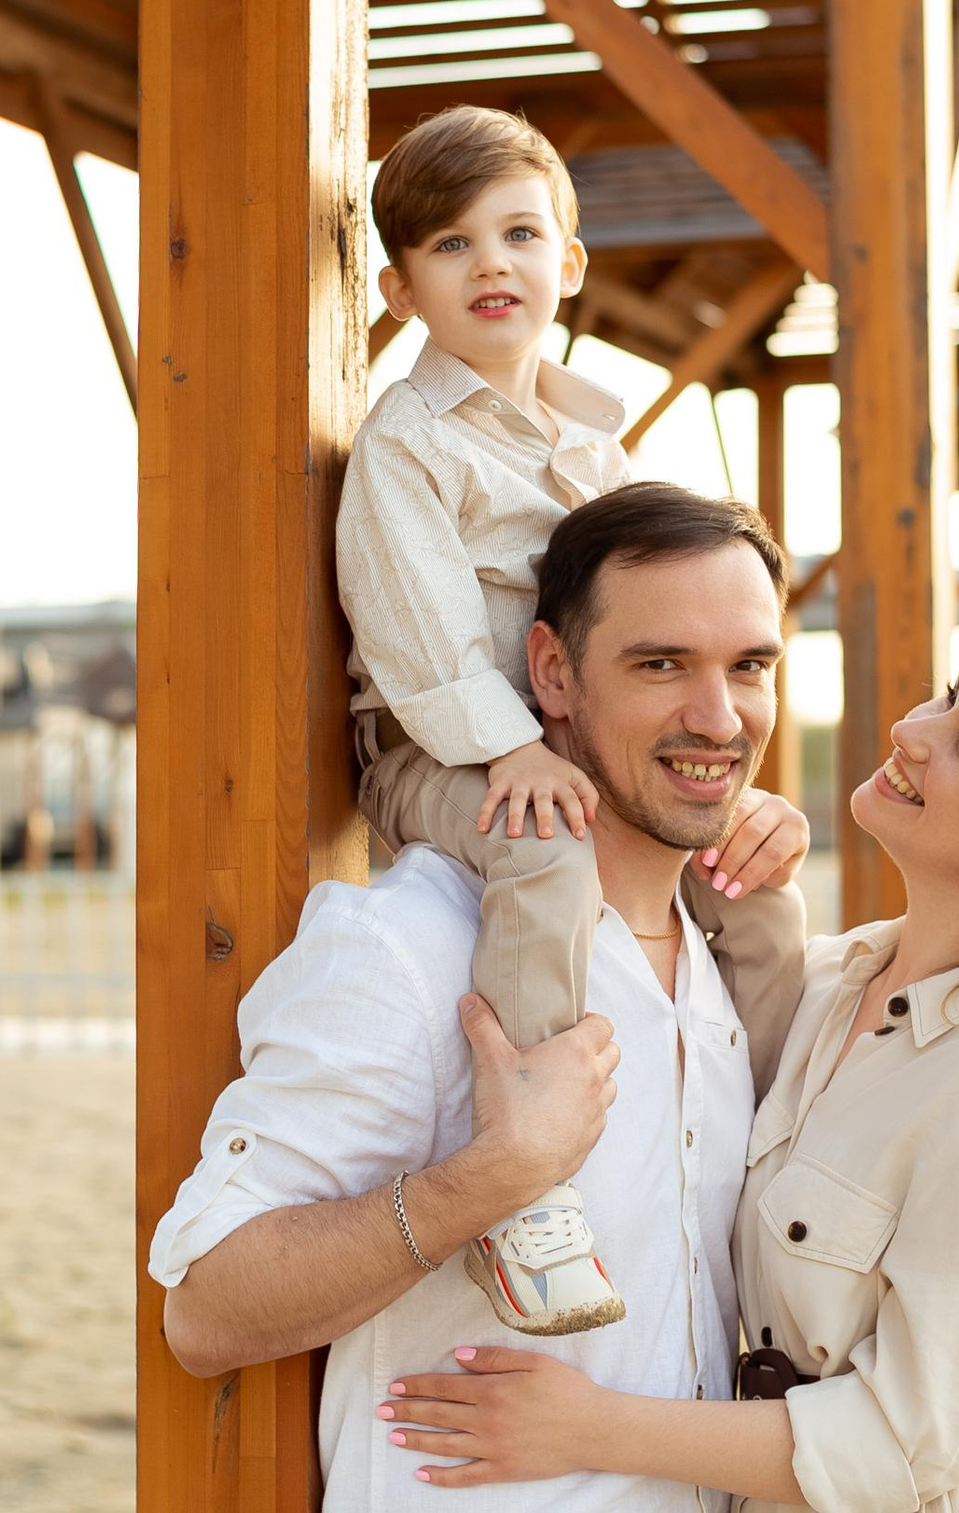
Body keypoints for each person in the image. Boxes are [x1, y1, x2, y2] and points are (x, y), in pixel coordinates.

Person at [377, 601, 959, 1511]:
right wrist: (741, 851)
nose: (912, 732)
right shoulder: (835, 985)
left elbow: (897, 1448)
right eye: (947, 699)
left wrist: (586, 1425)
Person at [152, 486, 795, 1510]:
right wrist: (493, 1179)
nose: (718, 717)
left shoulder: (733, 961)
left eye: (749, 666)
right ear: (551, 671)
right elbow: (208, 1308)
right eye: (660, 663)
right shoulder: (408, 944)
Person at [337, 105, 808, 1334]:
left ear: (569, 263)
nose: (490, 263)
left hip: (572, 750)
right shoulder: (407, 445)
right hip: (442, 750)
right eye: (449, 245)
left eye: (517, 234)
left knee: (757, 893)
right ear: (397, 288)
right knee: (543, 847)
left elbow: (662, 606)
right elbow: (417, 628)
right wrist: (509, 748)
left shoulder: (595, 442)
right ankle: (527, 1174)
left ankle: (782, 1134)